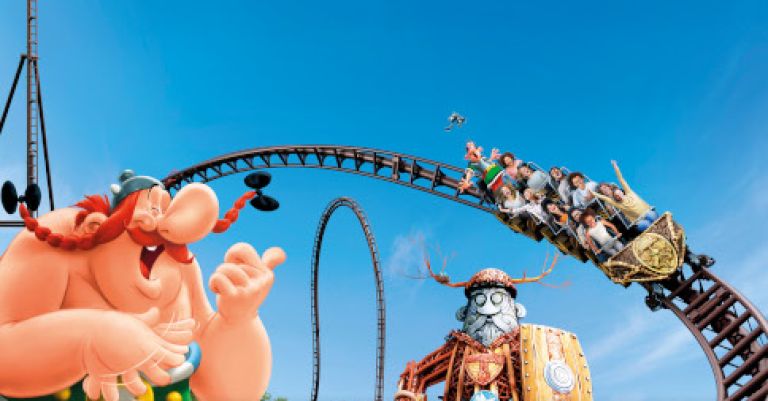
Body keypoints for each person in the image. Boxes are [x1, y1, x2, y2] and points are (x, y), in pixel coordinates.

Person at [394, 256, 592, 401]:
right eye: (479, 300)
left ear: (516, 310)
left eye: (497, 299)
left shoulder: (533, 346)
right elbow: (416, 376)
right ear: (464, 312)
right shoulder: (455, 350)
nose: (488, 309)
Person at [589, 160, 659, 231]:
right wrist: (592, 193)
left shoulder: (629, 192)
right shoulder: (618, 204)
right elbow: (604, 198)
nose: (618, 194)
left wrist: (615, 166)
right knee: (644, 225)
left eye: (618, 192)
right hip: (636, 219)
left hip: (646, 211)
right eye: (616, 195)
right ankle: (655, 230)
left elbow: (621, 179)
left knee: (651, 215)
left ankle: (660, 226)